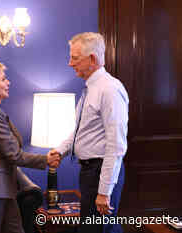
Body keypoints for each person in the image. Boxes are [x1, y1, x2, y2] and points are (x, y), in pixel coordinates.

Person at [0, 59, 60, 233]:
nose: (8, 82)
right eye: (3, 79)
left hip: (0, 188)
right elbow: (14, 154)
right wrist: (45, 159)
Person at [50, 32, 129, 233]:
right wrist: (61, 150)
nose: (70, 63)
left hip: (101, 171)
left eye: (74, 58)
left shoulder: (109, 89)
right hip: (89, 172)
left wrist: (104, 191)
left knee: (100, 230)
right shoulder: (90, 88)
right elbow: (79, 132)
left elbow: (116, 145)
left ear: (92, 59)